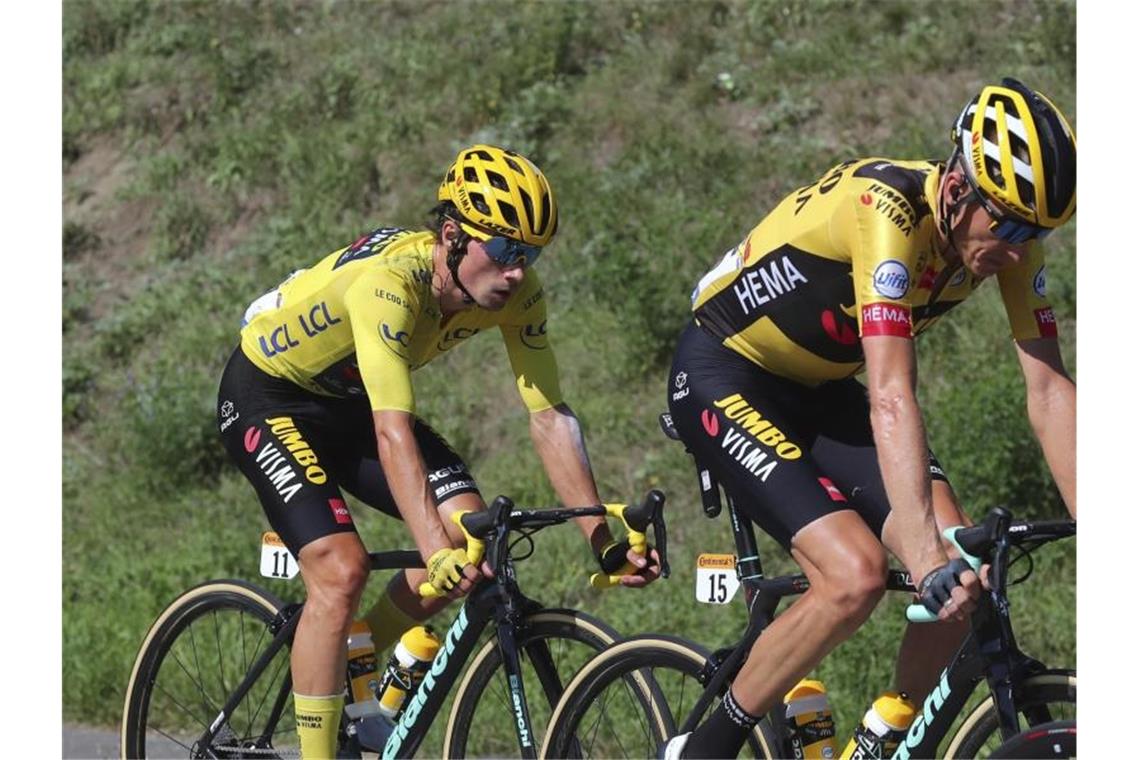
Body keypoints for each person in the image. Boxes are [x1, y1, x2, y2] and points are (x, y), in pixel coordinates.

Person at [662, 78, 1076, 759]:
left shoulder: (1008, 241)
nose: (1019, 245)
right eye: (1007, 223)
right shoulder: (885, 208)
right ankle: (706, 747)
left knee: (970, 565)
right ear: (955, 190)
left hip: (819, 390)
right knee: (854, 575)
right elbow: (890, 394)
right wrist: (919, 558)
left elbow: (1051, 391)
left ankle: (885, 732)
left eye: (1036, 232)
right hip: (724, 373)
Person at [216, 144, 660, 758]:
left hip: (351, 402)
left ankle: (353, 660)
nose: (517, 272)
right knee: (341, 571)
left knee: (466, 540)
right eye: (505, 250)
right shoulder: (390, 287)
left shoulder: (518, 297)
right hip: (273, 395)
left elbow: (551, 417)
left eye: (530, 255)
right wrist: (431, 548)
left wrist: (598, 537)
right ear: (452, 237)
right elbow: (393, 432)